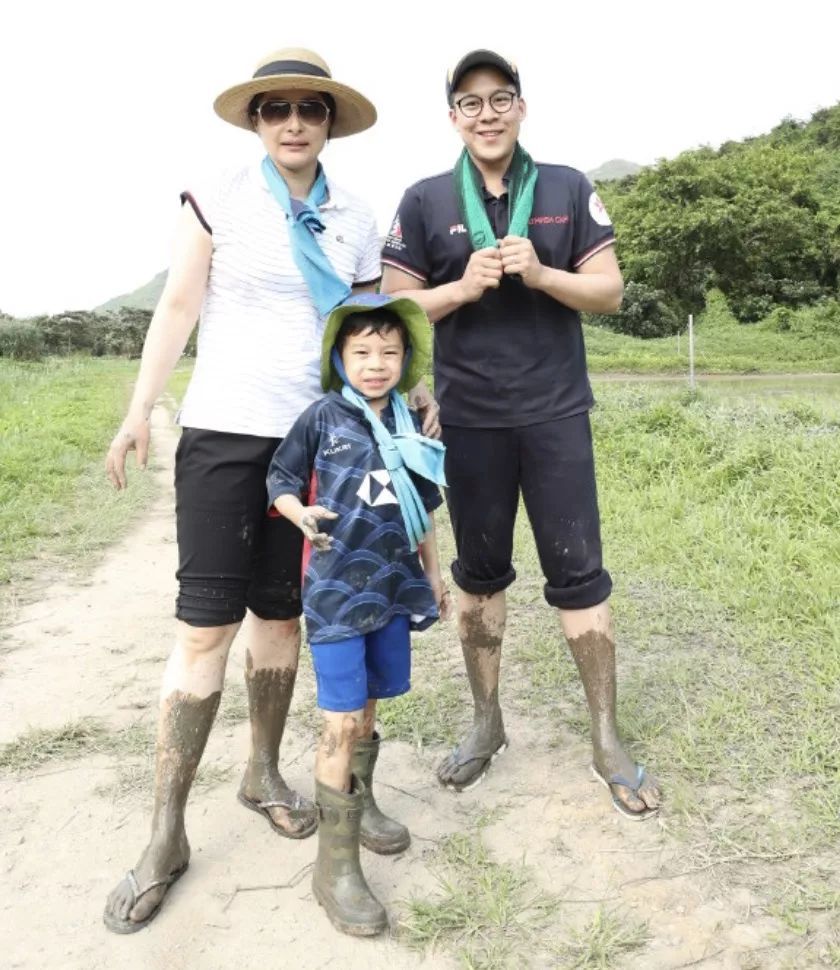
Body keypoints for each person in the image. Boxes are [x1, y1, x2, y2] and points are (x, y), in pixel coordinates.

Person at [102, 46, 438, 934]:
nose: (293, 121)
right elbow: (179, 306)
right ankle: (166, 833)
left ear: (330, 122)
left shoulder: (356, 216)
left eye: (310, 108)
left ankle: (265, 772)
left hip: (323, 444)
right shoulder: (217, 196)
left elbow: (364, 333)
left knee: (285, 619)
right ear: (255, 120)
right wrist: (140, 410)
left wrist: (407, 401)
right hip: (224, 433)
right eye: (275, 108)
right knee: (204, 628)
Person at [381, 50, 661, 819]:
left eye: (500, 98)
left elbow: (608, 290)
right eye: (470, 103)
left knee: (580, 575)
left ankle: (605, 738)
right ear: (453, 119)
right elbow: (396, 308)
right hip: (467, 420)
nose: (487, 114)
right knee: (479, 580)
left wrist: (540, 275)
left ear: (521, 107)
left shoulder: (566, 187)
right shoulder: (425, 199)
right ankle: (486, 722)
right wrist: (461, 288)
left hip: (555, 413)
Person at [267, 292, 450, 935]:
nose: (376, 364)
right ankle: (335, 868)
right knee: (340, 722)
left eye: (389, 352)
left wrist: (434, 573)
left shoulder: (409, 420)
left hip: (393, 589)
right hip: (337, 595)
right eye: (362, 352)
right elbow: (280, 481)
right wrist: (300, 515)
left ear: (406, 359)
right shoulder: (321, 417)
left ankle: (361, 801)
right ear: (340, 358)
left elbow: (422, 508)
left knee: (369, 707)